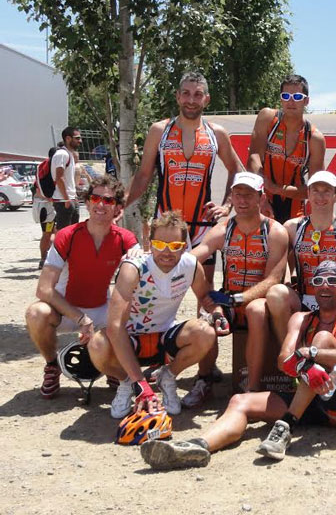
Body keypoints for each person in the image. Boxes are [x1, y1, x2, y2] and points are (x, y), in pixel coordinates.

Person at [139, 261, 336, 469]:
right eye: (318, 281)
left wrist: (311, 354)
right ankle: (197, 446)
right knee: (240, 401)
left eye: (332, 281)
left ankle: (287, 424)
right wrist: (306, 366)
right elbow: (283, 360)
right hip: (307, 400)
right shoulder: (302, 319)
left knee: (321, 341)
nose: (324, 286)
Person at [88, 212, 219, 418]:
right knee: (97, 344)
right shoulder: (133, 268)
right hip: (130, 341)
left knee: (206, 332)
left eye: (175, 246)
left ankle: (168, 377)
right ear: (150, 243)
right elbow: (115, 326)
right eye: (159, 244)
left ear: (184, 246)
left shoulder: (191, 265)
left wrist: (218, 313)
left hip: (165, 338)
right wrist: (140, 382)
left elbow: (206, 298)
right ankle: (127, 382)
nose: (167, 252)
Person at [25, 175, 139, 399]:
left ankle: (113, 364)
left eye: (108, 200)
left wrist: (138, 256)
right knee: (35, 313)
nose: (100, 204)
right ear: (86, 202)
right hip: (65, 310)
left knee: (135, 314)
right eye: (95, 198)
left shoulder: (125, 238)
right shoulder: (67, 235)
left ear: (117, 207)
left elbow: (143, 275)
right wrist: (80, 318)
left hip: (101, 309)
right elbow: (44, 289)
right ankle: (52, 366)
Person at [124, 71, 243, 282]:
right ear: (178, 96)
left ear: (206, 99)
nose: (191, 100)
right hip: (166, 224)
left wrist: (227, 205)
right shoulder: (159, 130)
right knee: (159, 287)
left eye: (198, 95)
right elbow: (143, 175)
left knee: (205, 290)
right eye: (186, 93)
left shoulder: (216, 133)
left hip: (202, 225)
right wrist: (119, 204)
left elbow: (237, 171)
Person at [182, 172, 289, 404]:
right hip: (229, 298)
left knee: (256, 311)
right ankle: (204, 379)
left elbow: (273, 280)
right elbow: (191, 259)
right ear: (231, 196)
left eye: (249, 195)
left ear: (261, 198)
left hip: (258, 300)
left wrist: (237, 299)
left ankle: (251, 388)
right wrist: (162, 261)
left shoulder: (275, 231)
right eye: (238, 194)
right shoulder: (223, 229)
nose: (242, 200)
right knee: (205, 314)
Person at [266, 170, 336, 343]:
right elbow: (282, 262)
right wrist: (287, 282)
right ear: (308, 194)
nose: (320, 196)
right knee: (276, 293)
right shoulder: (292, 227)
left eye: (326, 191)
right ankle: (290, 352)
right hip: (303, 296)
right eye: (315, 191)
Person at [247, 74, 326, 223]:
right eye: (286, 96)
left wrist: (277, 189)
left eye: (297, 96)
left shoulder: (314, 138)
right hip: (262, 198)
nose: (290, 101)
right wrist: (261, 195)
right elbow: (253, 157)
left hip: (294, 205)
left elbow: (315, 188)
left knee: (290, 237)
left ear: (306, 101)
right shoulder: (267, 118)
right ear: (281, 99)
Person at [33, 146, 59, 269]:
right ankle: (43, 259)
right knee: (47, 233)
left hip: (47, 206)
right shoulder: (48, 168)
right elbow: (38, 189)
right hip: (48, 207)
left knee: (53, 232)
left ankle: (48, 258)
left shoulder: (43, 167)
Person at [52, 127, 82, 230]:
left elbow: (68, 179)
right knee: (63, 233)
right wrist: (66, 198)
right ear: (68, 138)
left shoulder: (69, 154)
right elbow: (59, 178)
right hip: (63, 200)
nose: (80, 141)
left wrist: (74, 197)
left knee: (73, 232)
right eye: (77, 138)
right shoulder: (62, 154)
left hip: (70, 199)